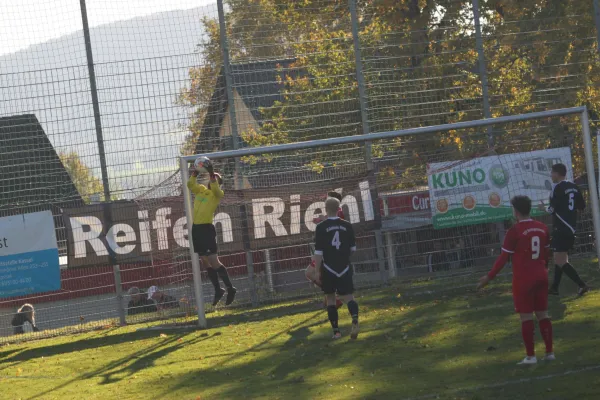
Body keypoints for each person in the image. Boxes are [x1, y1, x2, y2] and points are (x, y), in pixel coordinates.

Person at [478, 196, 554, 365]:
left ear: (516, 211)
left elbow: (504, 258)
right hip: (541, 275)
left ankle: (531, 356)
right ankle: (549, 352)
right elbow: (546, 253)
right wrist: (545, 267)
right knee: (543, 314)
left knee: (526, 317)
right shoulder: (542, 227)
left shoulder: (514, 231)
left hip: (524, 278)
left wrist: (489, 277)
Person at [188, 161, 236, 306]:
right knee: (205, 261)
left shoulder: (217, 194)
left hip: (206, 229)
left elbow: (215, 187)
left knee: (214, 261)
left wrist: (211, 171)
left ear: (218, 183)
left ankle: (230, 288)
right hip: (196, 229)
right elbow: (190, 185)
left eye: (214, 178)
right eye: (210, 177)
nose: (211, 179)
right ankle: (218, 290)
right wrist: (196, 172)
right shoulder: (201, 190)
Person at [538, 163, 590, 296]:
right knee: (561, 258)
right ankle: (554, 288)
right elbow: (581, 206)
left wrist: (543, 208)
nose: (551, 175)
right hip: (571, 227)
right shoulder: (573, 186)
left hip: (561, 227)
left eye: (552, 172)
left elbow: (552, 209)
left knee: (559, 259)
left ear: (556, 173)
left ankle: (582, 284)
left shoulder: (557, 187)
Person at [313, 197, 360, 340]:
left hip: (329, 268)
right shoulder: (347, 226)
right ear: (339, 209)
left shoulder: (320, 227)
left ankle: (337, 332)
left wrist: (316, 271)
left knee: (330, 299)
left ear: (326, 209)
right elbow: (353, 249)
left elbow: (318, 253)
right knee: (349, 297)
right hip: (344, 267)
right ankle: (355, 319)